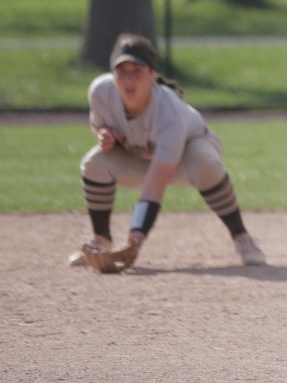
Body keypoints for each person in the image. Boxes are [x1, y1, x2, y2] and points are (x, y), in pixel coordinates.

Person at [71, 33, 267, 269]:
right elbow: (100, 123)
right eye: (122, 71)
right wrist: (103, 134)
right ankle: (100, 241)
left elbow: (154, 187)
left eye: (137, 71)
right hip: (142, 157)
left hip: (187, 156)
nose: (129, 79)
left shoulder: (169, 111)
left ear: (153, 74)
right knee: (95, 162)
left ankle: (242, 238)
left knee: (204, 161)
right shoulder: (101, 92)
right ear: (112, 74)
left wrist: (136, 239)